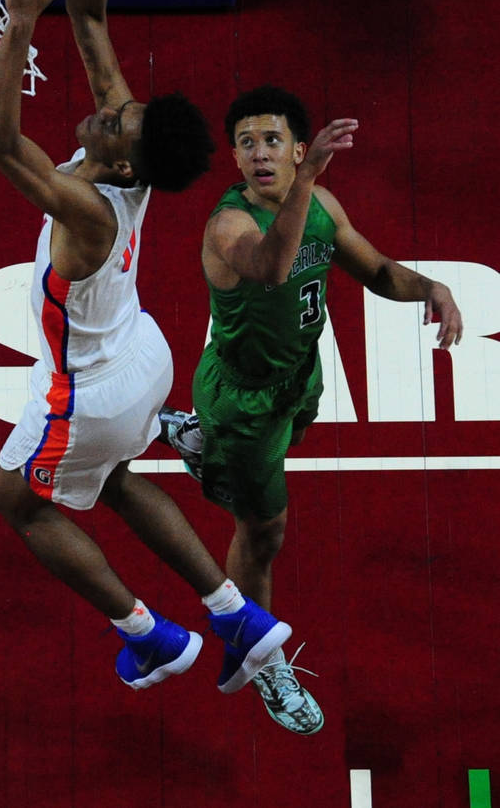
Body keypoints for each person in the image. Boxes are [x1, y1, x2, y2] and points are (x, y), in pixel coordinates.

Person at [0, 0, 296, 693]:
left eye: (116, 124)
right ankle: (234, 614)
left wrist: (17, 22)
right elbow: (89, 27)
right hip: (139, 356)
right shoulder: (131, 156)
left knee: (18, 501)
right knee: (111, 478)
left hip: (84, 388)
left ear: (121, 166)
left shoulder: (86, 207)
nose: (106, 112)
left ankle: (147, 636)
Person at [160, 84, 463, 733]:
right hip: (242, 401)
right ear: (236, 159)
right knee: (261, 534)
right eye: (246, 143)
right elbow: (271, 269)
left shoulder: (320, 204)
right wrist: (310, 179)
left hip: (297, 379)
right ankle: (258, 658)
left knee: (271, 465)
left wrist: (429, 288)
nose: (258, 154)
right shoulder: (230, 224)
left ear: (296, 148)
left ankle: (197, 448)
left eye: (271, 140)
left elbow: (377, 269)